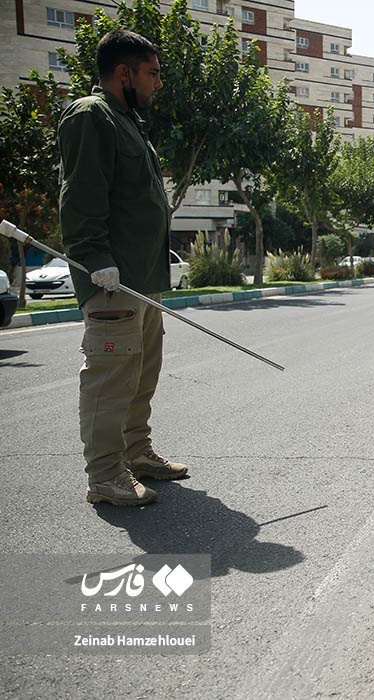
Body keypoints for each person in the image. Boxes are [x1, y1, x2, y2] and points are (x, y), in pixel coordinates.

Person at [59, 29, 186, 507]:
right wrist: (96, 261)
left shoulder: (127, 120)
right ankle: (105, 476)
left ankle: (136, 453)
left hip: (142, 279)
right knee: (110, 378)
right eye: (152, 73)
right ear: (123, 73)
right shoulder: (93, 117)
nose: (158, 83)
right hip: (112, 280)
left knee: (140, 373)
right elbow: (81, 197)